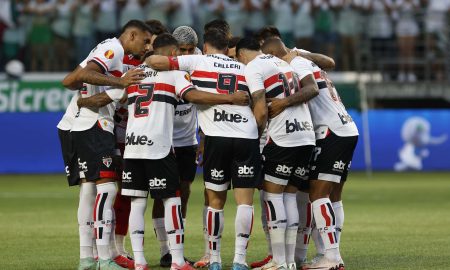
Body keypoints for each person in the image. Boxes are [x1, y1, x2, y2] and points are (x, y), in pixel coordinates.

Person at [105, 33, 248, 270]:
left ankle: (139, 262)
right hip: (159, 147)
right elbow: (193, 96)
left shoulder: (135, 73)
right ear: (172, 54)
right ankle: (178, 261)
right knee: (173, 200)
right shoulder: (175, 74)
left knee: (137, 202)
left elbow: (114, 99)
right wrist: (230, 97)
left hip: (132, 146)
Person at [146, 29, 261, 270]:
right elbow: (259, 105)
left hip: (217, 137)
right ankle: (240, 260)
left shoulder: (197, 60)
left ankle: (215, 259)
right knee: (245, 202)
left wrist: (173, 63)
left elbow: (154, 61)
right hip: (246, 136)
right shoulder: (243, 67)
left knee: (215, 200)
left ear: (205, 47)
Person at [61, 20, 152, 270]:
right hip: (93, 125)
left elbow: (69, 81)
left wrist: (91, 91)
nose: (146, 47)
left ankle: (87, 259)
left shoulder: (109, 51)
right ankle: (104, 259)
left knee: (89, 191)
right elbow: (83, 76)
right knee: (108, 189)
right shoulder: (114, 49)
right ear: (131, 35)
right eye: (144, 40)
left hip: (81, 124)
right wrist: (120, 83)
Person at [267, 36, 358, 270]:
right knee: (333, 197)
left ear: (274, 56)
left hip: (330, 132)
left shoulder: (295, 64)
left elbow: (313, 91)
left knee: (318, 195)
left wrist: (283, 103)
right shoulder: (304, 60)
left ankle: (332, 257)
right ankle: (327, 253)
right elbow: (329, 62)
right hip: (344, 127)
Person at [236, 37, 317, 270]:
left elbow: (261, 110)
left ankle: (279, 261)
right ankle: (289, 261)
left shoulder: (253, 67)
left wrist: (254, 134)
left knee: (272, 196)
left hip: (283, 137)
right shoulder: (285, 64)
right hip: (306, 135)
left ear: (242, 54)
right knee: (290, 196)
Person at [152, 25, 201, 267]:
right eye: (182, 49)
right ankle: (166, 251)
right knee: (162, 196)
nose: (186, 53)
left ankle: (176, 247)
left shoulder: (200, 62)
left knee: (184, 191)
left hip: (187, 141)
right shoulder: (158, 63)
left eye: (191, 49)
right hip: (163, 140)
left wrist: (202, 135)